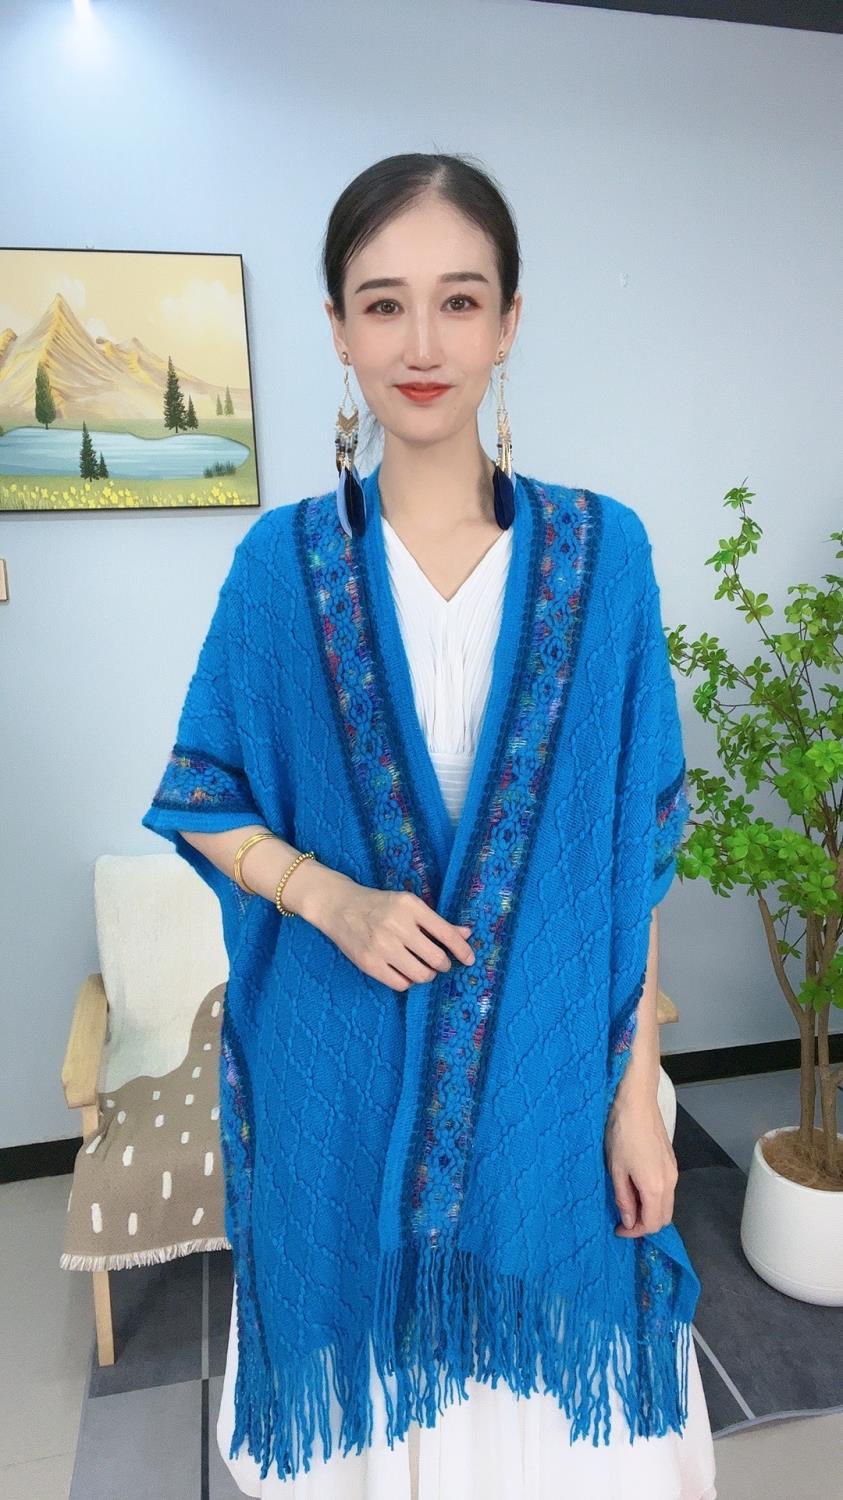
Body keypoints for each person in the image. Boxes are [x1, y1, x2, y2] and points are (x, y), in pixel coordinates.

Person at [142, 152, 718, 1499]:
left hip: (552, 1095)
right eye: (383, 303)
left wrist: (638, 1098)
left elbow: (632, 862)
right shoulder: (281, 569)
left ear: (509, 323)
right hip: (339, 1091)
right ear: (338, 329)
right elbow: (202, 794)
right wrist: (328, 898)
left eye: (459, 301)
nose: (421, 343)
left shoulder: (606, 558)